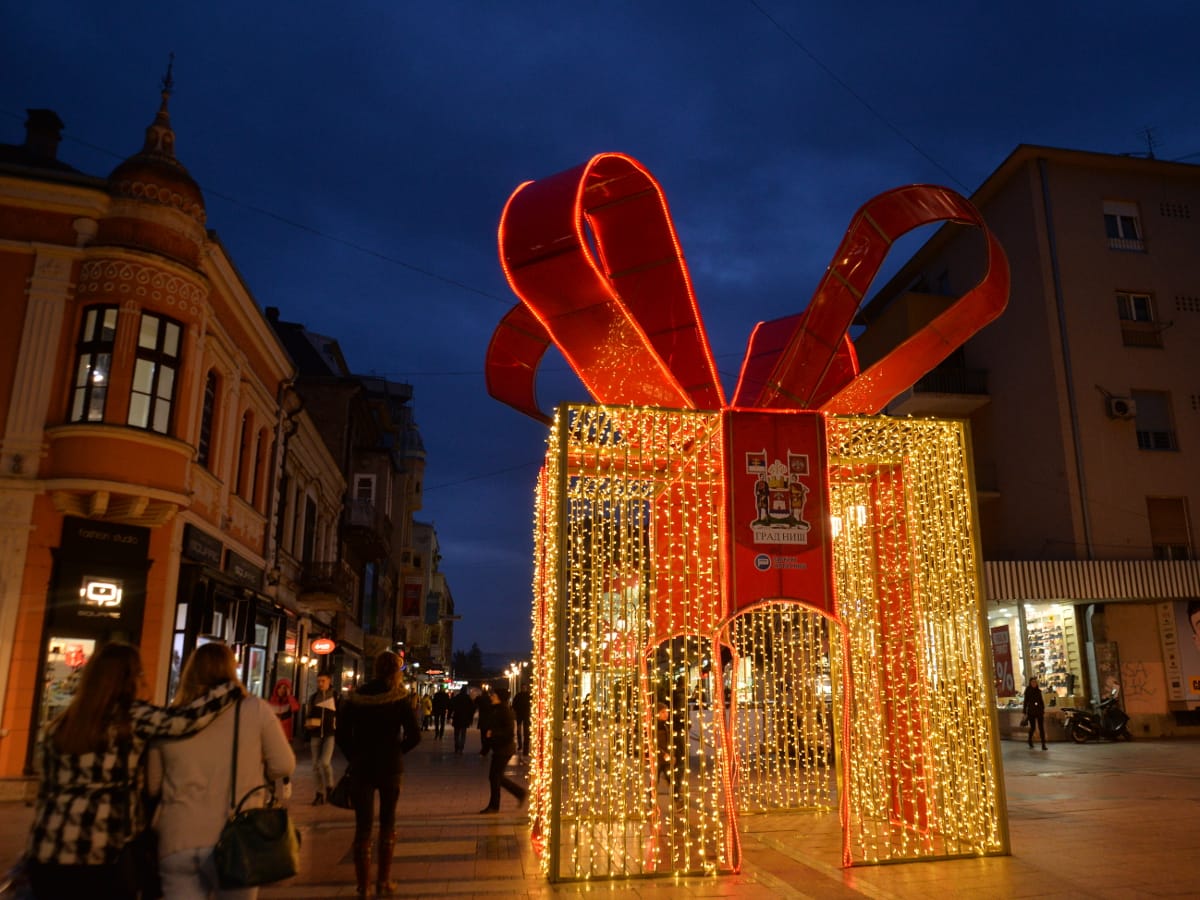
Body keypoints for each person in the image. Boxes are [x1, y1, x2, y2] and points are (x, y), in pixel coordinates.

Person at [26, 641, 240, 899]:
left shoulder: (62, 725)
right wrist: (227, 685)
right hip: (102, 851)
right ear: (128, 679)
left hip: (47, 851)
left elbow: (44, 795)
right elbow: (187, 721)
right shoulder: (130, 716)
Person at [147, 642, 295, 899]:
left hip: (177, 839)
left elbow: (152, 784)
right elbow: (283, 764)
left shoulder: (170, 717)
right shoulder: (254, 709)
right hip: (234, 837)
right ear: (231, 671)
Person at [336, 651, 420, 898]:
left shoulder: (357, 697)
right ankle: (384, 880)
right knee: (387, 822)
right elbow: (414, 736)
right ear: (395, 672)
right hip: (390, 767)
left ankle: (364, 886)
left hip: (362, 766)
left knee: (363, 827)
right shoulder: (399, 698)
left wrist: (355, 756)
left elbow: (341, 735)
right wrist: (396, 751)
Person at [478, 687, 527, 813]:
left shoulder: (504, 711)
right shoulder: (498, 709)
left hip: (504, 749)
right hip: (500, 748)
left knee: (495, 777)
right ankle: (519, 794)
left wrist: (493, 733)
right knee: (496, 777)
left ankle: (495, 806)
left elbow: (508, 732)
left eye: (494, 695)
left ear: (499, 697)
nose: (491, 697)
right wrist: (485, 750)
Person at [304, 672, 338, 805]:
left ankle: (329, 786)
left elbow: (340, 714)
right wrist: (308, 724)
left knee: (324, 762)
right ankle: (319, 793)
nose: (320, 684)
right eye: (318, 681)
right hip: (316, 734)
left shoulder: (335, 696)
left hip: (329, 734)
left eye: (323, 681)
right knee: (315, 766)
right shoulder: (313, 698)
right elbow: (308, 714)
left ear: (329, 681)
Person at [268, 679, 300, 743]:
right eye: (279, 688)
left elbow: (296, 708)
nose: (281, 690)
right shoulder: (271, 701)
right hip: (273, 732)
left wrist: (289, 696)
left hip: (285, 734)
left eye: (284, 688)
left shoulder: (289, 701)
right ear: (276, 689)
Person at [1023, 675, 1047, 750]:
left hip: (1039, 711)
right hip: (1031, 711)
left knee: (1041, 728)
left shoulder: (1038, 691)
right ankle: (1030, 740)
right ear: (1030, 683)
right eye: (1032, 682)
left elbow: (1041, 701)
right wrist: (1024, 711)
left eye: (1035, 682)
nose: (1034, 683)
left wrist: (1043, 709)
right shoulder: (1028, 691)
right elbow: (1025, 701)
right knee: (1033, 727)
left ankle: (1043, 744)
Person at [450, 686, 475, 754]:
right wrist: (470, 718)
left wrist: (449, 716)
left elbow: (451, 707)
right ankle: (461, 748)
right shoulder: (468, 699)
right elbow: (472, 709)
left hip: (457, 718)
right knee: (463, 734)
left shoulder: (457, 698)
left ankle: (456, 747)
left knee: (456, 734)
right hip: (465, 719)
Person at [511, 686, 531, 756]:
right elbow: (514, 705)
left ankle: (525, 749)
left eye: (525, 687)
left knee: (526, 732)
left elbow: (513, 705)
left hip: (525, 716)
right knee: (520, 731)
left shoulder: (528, 695)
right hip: (521, 715)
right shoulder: (519, 695)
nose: (524, 689)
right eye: (523, 687)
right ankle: (520, 746)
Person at [475, 688, 493, 756]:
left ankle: (484, 748)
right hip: (489, 720)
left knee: (482, 735)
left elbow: (475, 703)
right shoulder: (490, 699)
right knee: (488, 735)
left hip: (482, 719)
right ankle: (487, 748)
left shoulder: (480, 699)